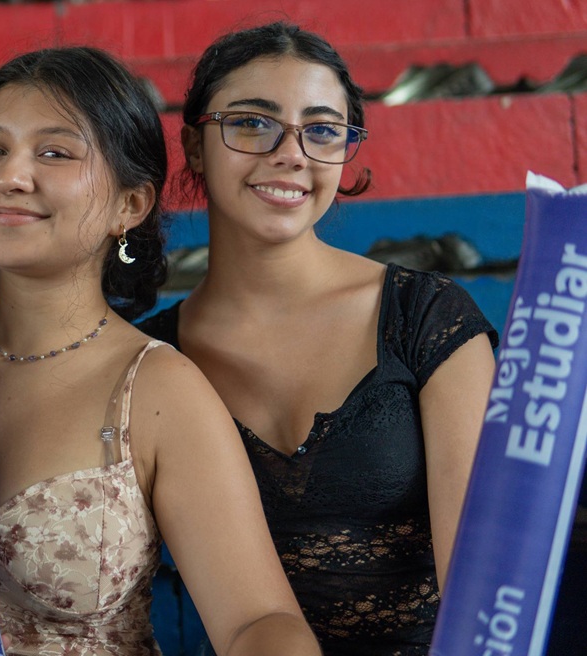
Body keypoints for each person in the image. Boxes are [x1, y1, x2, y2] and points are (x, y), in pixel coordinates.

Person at [0, 46, 321, 656]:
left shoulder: (157, 389)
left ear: (131, 205)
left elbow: (260, 622)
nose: (10, 175)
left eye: (55, 152)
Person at [136, 22, 498, 655]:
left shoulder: (426, 315)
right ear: (195, 145)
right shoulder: (150, 360)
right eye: (253, 123)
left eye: (323, 129)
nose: (291, 153)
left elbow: (481, 588)